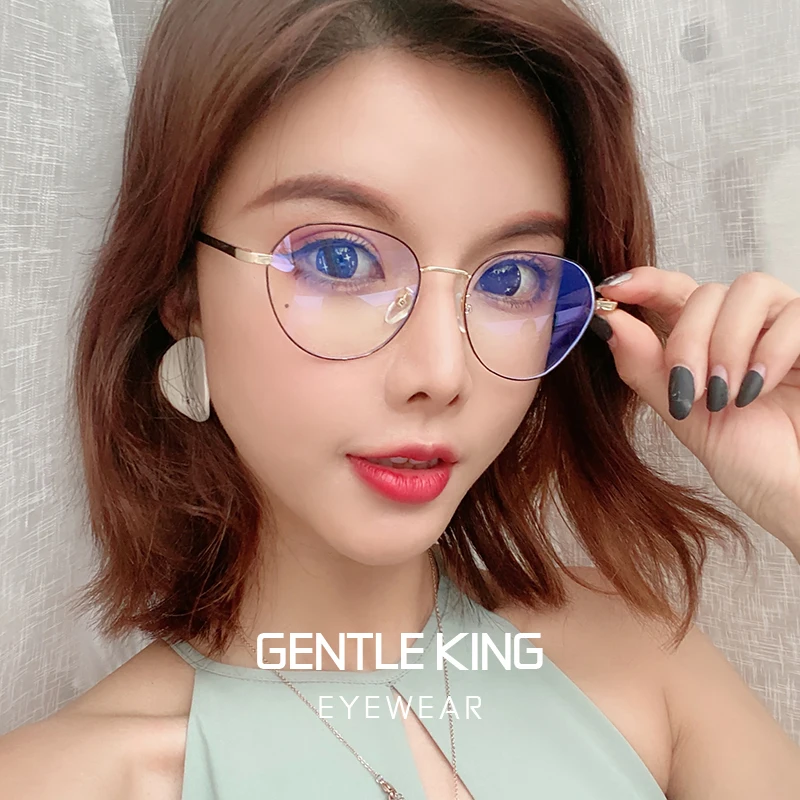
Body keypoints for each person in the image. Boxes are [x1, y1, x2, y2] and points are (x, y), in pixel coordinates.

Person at [2, 0, 799, 797]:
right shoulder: (67, 780)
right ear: (183, 289)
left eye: (511, 277)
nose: (442, 373)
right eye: (341, 260)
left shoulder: (640, 661)